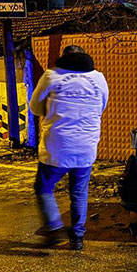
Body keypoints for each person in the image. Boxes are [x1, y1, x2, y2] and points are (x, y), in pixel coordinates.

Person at [30, 45, 109, 250]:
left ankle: (54, 225)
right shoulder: (98, 78)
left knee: (44, 187)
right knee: (79, 192)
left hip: (57, 147)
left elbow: (35, 107)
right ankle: (77, 238)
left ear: (64, 58)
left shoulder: (52, 76)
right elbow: (102, 106)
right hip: (86, 147)